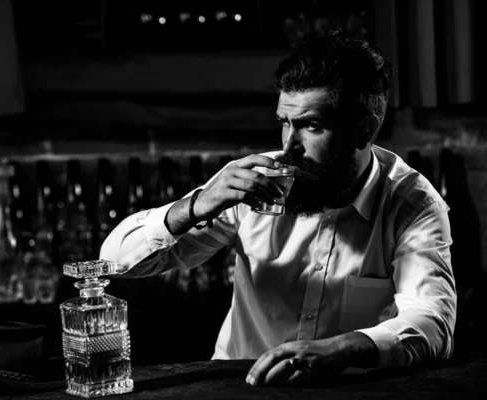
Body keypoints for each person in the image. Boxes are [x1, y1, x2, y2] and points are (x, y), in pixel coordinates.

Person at [100, 34, 457, 386]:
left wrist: (342, 349)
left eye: (311, 126)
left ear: (364, 130)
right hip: (235, 385)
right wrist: (196, 206)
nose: (288, 147)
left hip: (346, 390)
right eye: (284, 123)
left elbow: (432, 321)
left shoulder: (413, 204)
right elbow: (114, 264)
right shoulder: (255, 182)